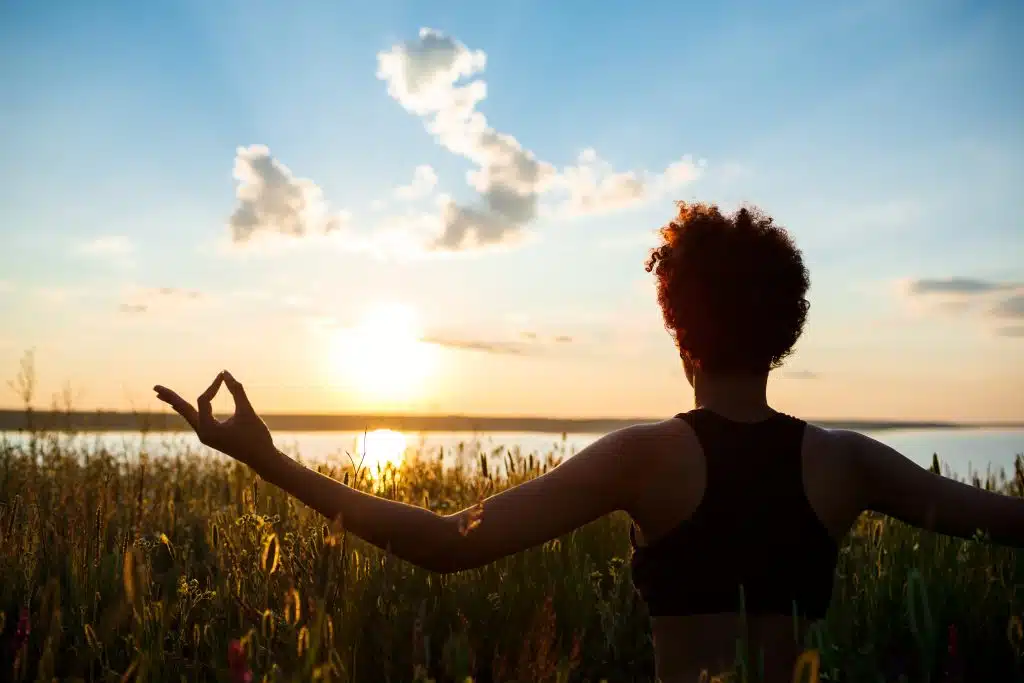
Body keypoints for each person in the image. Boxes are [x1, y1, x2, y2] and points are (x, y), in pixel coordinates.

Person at [155, 202, 1024, 683]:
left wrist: (263, 458)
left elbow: (442, 543)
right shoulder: (847, 462)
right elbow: (1010, 519)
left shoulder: (646, 457)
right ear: (785, 331)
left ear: (677, 326)